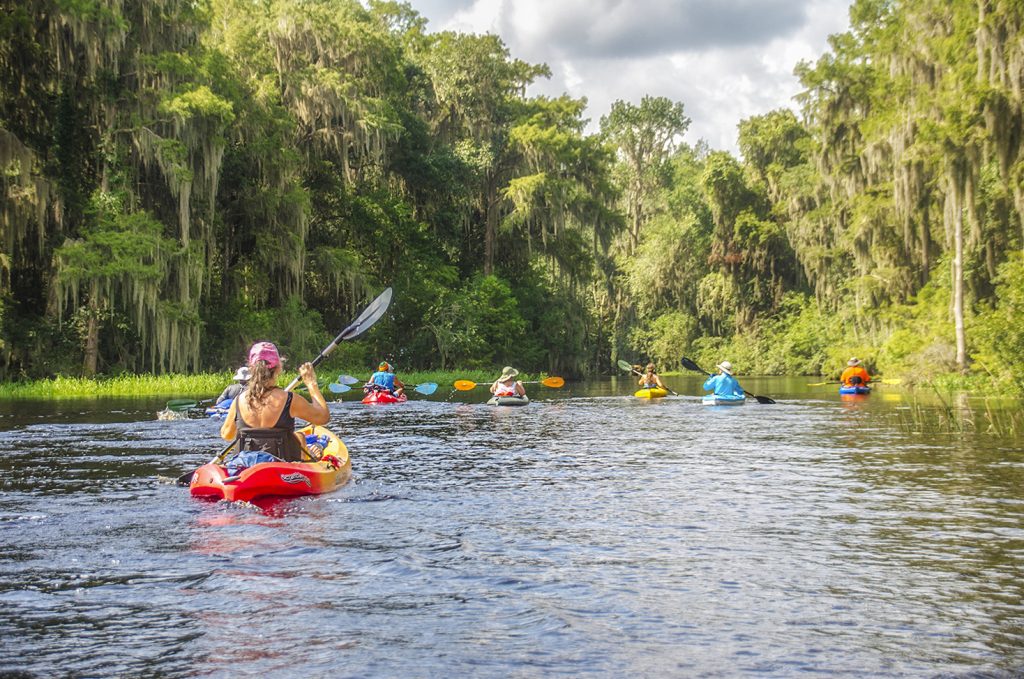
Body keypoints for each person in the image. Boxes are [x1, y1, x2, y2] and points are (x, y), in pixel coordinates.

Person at [220, 341, 329, 463]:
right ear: (278, 368)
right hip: (283, 471)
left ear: (252, 368)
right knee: (300, 438)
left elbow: (227, 435)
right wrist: (311, 383)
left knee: (300, 437)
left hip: (246, 468)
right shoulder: (289, 400)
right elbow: (323, 417)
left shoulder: (238, 401)